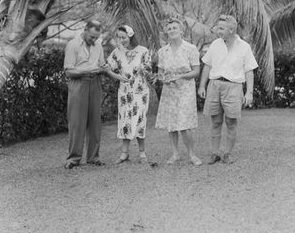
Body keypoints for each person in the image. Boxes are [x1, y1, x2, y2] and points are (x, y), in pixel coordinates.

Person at [197, 15, 258, 165]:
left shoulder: (244, 46)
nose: (218, 30)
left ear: (231, 30)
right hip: (215, 85)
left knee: (231, 122)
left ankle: (227, 154)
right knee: (216, 121)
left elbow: (249, 70)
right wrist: (202, 86)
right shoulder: (215, 45)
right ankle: (215, 153)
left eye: (221, 28)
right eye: (218, 27)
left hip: (234, 87)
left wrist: (249, 92)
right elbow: (207, 65)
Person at [155, 17, 202, 166]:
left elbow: (196, 72)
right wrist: (163, 78)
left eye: (175, 28)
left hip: (185, 90)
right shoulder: (163, 51)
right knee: (172, 123)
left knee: (184, 124)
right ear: (166, 32)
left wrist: (181, 76)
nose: (172, 30)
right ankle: (175, 154)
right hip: (169, 90)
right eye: (169, 29)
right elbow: (160, 73)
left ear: (181, 30)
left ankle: (192, 155)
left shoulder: (190, 48)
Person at [63, 20, 108, 169]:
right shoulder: (73, 45)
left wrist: (103, 68)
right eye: (92, 37)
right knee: (77, 121)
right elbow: (68, 71)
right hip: (78, 83)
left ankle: (93, 157)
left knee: (95, 121)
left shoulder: (98, 45)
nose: (94, 40)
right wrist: (87, 71)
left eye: (97, 37)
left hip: (95, 83)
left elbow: (101, 65)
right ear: (86, 30)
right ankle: (74, 158)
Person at [105, 25, 153, 164]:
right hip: (124, 92)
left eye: (123, 37)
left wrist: (142, 70)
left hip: (140, 92)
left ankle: (142, 153)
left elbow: (149, 70)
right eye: (119, 37)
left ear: (130, 36)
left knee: (139, 120)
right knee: (125, 120)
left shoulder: (143, 51)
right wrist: (117, 77)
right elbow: (107, 68)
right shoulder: (116, 52)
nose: (121, 40)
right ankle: (124, 153)